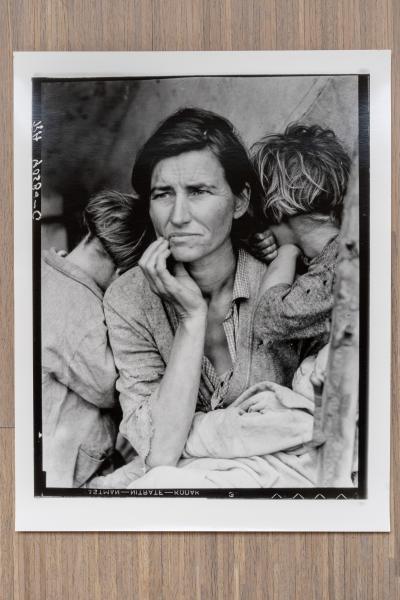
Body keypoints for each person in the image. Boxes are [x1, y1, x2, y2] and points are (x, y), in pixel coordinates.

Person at [103, 108, 316, 472]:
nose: (178, 216)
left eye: (199, 191)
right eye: (163, 194)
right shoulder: (128, 300)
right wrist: (191, 319)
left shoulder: (285, 282)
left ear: (241, 200)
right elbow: (161, 454)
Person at [42, 190, 152, 487]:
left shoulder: (45, 270)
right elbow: (113, 386)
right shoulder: (79, 308)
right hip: (63, 473)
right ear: (123, 273)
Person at [250, 123, 351, 354]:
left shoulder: (338, 269)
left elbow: (268, 319)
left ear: (276, 208)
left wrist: (286, 253)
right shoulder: (337, 251)